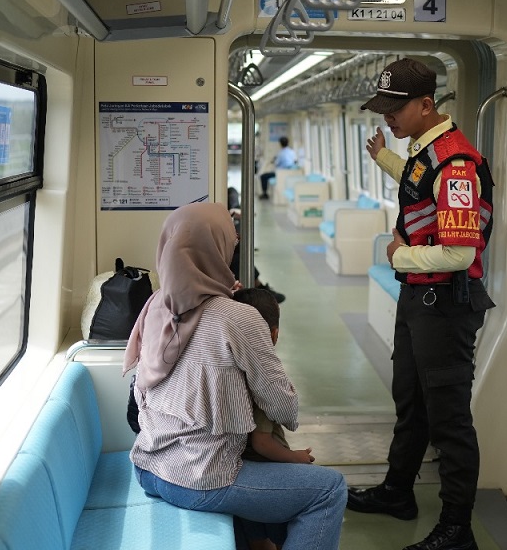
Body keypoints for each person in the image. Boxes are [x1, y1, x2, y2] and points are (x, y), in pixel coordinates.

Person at [123, 202, 347, 550]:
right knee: (328, 489)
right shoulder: (239, 318)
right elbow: (284, 409)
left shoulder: (155, 305)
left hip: (149, 467)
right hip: (202, 479)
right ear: (217, 249)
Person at [346, 57, 495, 550]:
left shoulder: (456, 165)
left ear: (427, 105)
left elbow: (460, 251)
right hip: (419, 298)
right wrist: (384, 158)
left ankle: (457, 528)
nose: (386, 116)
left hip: (445, 306)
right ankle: (397, 492)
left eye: (394, 108)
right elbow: (415, 180)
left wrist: (398, 252)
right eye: (382, 107)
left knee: (448, 417)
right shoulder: (423, 151)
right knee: (410, 401)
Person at [233, 287, 316, 550]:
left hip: (237, 467)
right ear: (273, 334)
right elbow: (262, 442)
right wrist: (297, 458)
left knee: (254, 533)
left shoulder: (231, 368)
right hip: (267, 466)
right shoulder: (264, 381)